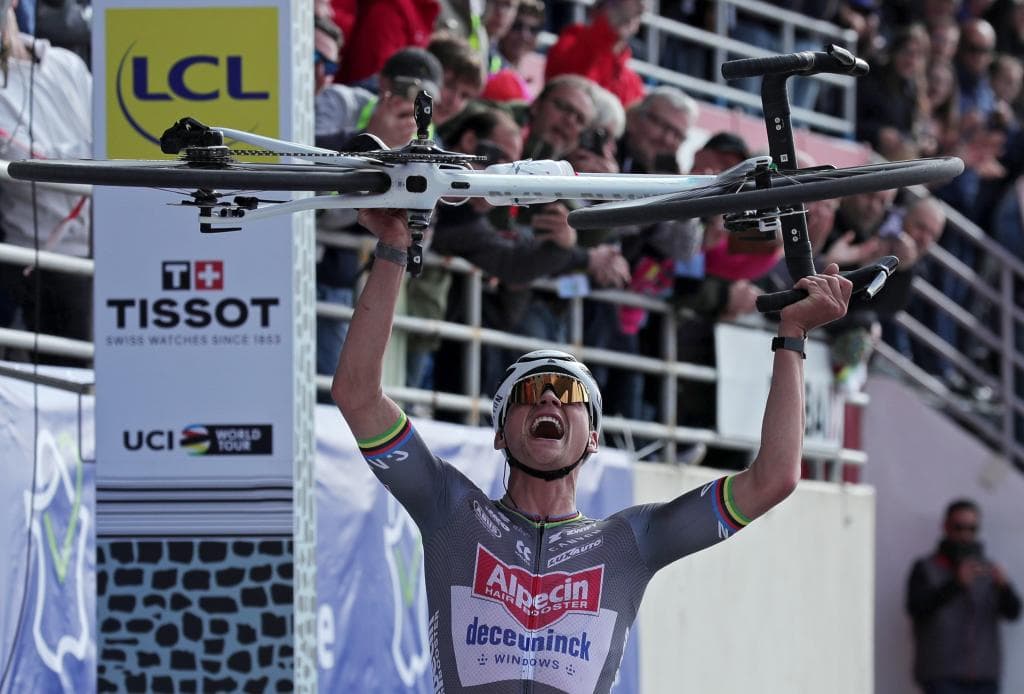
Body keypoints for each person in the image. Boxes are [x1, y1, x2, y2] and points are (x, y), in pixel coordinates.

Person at [331, 205, 853, 693]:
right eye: (530, 393)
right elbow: (357, 395)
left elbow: (775, 478)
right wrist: (394, 248)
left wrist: (792, 338)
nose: (550, 400)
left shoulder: (634, 540)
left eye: (571, 395)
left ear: (595, 437)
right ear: (498, 432)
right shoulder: (449, 508)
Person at [0, 0, 92, 363]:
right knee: (69, 383)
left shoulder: (67, 64)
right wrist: (91, 151)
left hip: (114, 245)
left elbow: (115, 136)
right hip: (45, 262)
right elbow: (38, 165)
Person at [906, 499, 1021, 694]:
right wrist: (955, 585)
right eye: (958, 527)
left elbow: (1013, 613)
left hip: (984, 678)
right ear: (946, 527)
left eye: (972, 528)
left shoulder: (987, 569)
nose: (965, 534)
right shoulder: (926, 567)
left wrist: (1005, 587)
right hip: (941, 677)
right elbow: (916, 609)